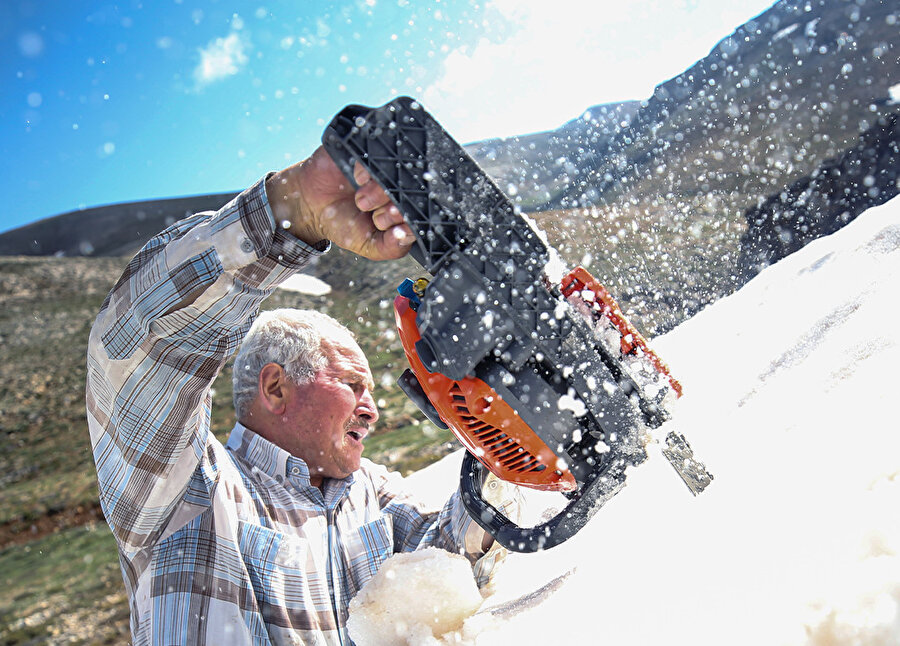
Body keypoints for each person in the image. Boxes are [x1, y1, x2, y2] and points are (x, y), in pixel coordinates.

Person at [86, 146, 515, 645]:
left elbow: (445, 563)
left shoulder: (371, 492)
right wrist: (293, 210)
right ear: (275, 388)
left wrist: (505, 433)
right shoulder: (187, 489)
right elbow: (142, 342)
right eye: (352, 385)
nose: (373, 411)